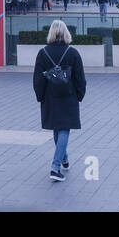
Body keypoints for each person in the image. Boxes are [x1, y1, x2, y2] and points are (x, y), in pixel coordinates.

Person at [32, 19, 86, 182]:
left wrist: (40, 96)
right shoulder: (73, 52)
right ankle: (55, 167)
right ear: (66, 33)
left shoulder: (43, 53)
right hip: (68, 96)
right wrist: (79, 95)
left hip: (50, 96)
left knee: (57, 128)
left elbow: (37, 79)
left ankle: (64, 159)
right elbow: (80, 78)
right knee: (63, 129)